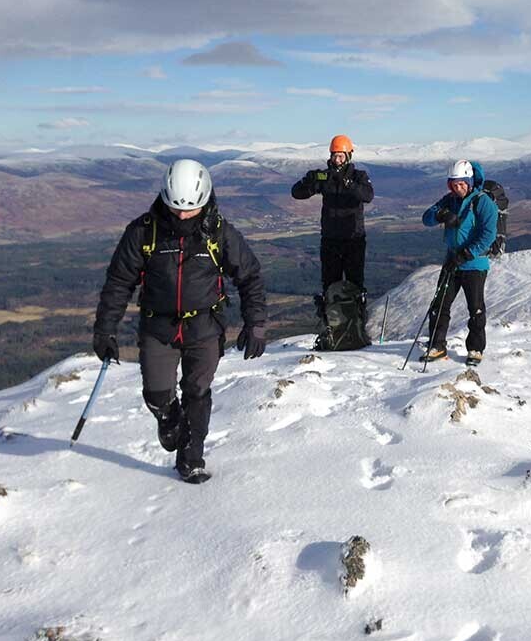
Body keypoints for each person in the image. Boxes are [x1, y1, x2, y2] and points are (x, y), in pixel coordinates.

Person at [92, 159, 267, 484]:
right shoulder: (144, 232)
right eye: (176, 209)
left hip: (205, 327)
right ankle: (168, 418)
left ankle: (191, 458)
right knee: (157, 394)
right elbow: (118, 282)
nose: (183, 215)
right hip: (158, 326)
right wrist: (105, 329)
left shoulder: (218, 233)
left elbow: (250, 276)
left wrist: (255, 322)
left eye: (191, 209)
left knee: (197, 392)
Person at [420, 159, 498, 366]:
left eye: (462, 183)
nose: (458, 187)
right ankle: (437, 345)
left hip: (474, 264)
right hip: (452, 261)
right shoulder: (449, 200)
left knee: (476, 308)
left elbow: (488, 235)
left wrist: (466, 254)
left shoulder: (482, 202)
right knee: (440, 304)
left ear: (470, 181)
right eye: (454, 184)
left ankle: (475, 349)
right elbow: (426, 218)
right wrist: (441, 214)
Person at [291, 134, 374, 293]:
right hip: (331, 240)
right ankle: (329, 315)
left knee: (355, 282)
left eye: (341, 156)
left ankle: (357, 315)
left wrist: (350, 185)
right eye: (335, 156)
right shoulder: (325, 177)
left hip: (353, 239)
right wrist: (309, 181)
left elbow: (367, 196)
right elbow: (297, 193)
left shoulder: (359, 176)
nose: (337, 160)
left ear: (348, 156)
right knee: (329, 284)